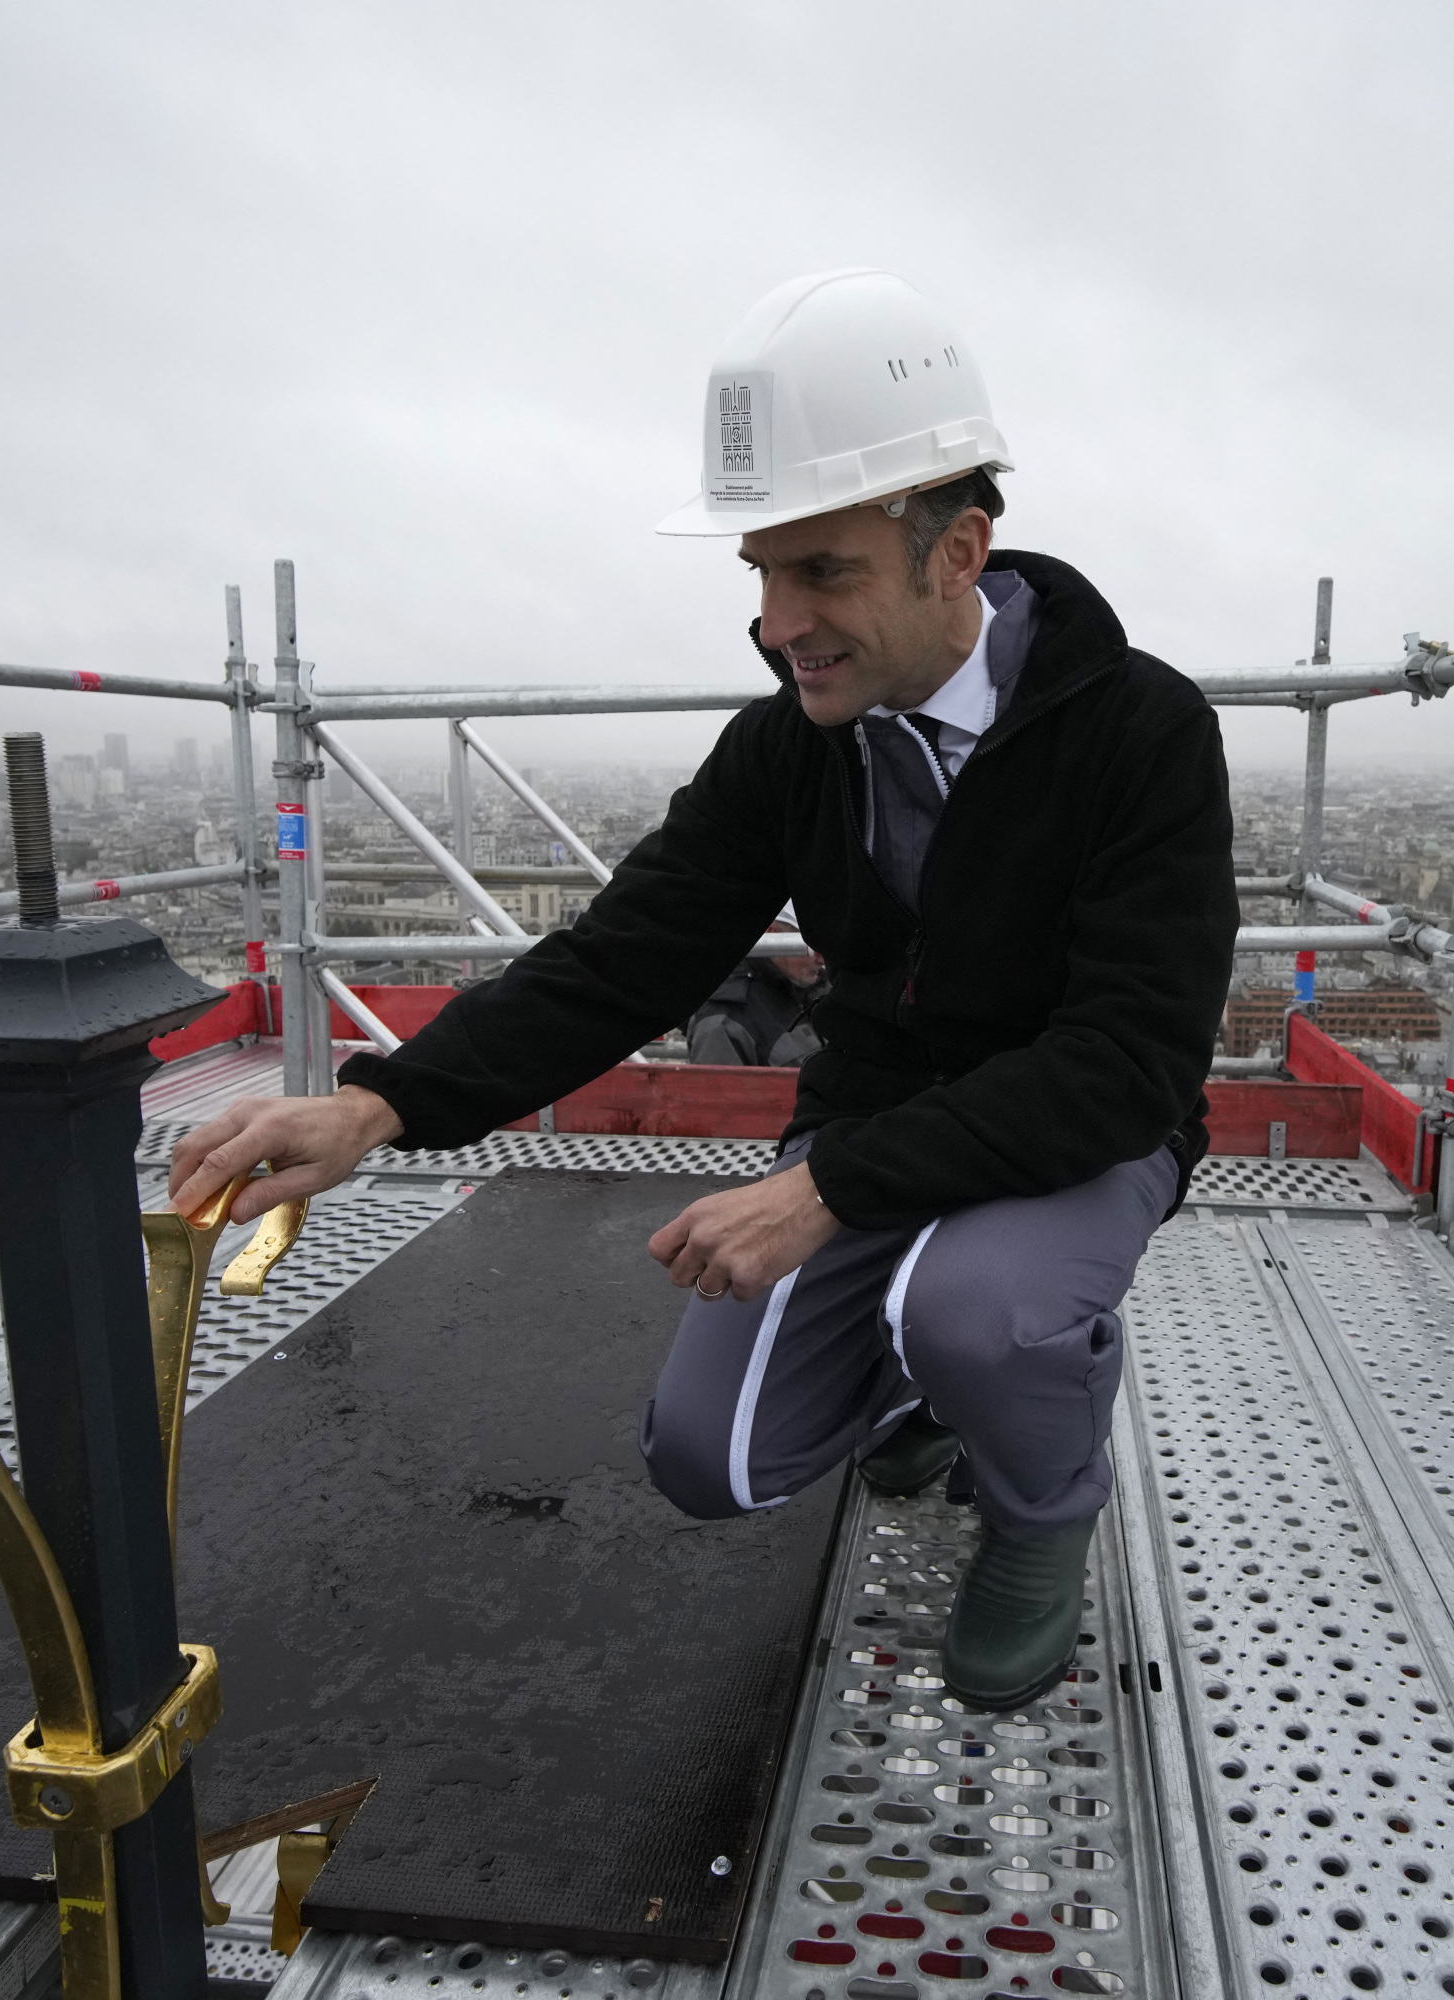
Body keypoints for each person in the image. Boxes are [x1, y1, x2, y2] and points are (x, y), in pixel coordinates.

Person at [172, 269, 1235, 1711]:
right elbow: (631, 953)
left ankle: (1042, 1511)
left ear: (958, 552)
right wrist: (381, 1105)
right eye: (761, 573)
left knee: (982, 1310)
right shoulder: (792, 745)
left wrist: (830, 1189)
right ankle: (932, 1392)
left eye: (823, 574)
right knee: (710, 1461)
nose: (773, 619)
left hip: (1081, 1138)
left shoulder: (1139, 731)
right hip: (882, 1125)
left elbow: (1127, 1061)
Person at [684, 926, 825, 1066]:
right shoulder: (726, 1018)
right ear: (773, 935)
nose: (822, 960)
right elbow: (718, 1086)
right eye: (811, 947)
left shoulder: (807, 988)